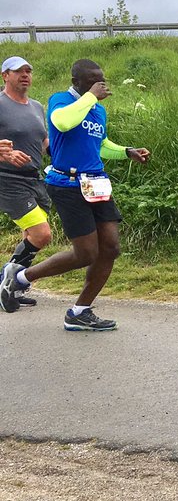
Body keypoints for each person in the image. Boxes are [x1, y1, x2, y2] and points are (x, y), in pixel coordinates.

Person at [0, 60, 150, 328]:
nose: (100, 85)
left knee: (111, 248)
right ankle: (21, 278)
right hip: (67, 184)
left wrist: (126, 151)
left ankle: (80, 311)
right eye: (94, 80)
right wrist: (91, 96)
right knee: (85, 253)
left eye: (102, 79)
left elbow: (100, 144)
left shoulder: (97, 110)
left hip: (97, 184)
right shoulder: (60, 101)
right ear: (77, 81)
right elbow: (63, 122)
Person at [0, 57, 49, 311]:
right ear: (4, 76)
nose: (25, 75)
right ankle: (6, 280)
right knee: (42, 234)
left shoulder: (37, 106)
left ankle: (12, 288)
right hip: (7, 179)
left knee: (29, 235)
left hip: (34, 178)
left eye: (29, 70)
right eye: (19, 71)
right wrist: (4, 153)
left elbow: (43, 141)